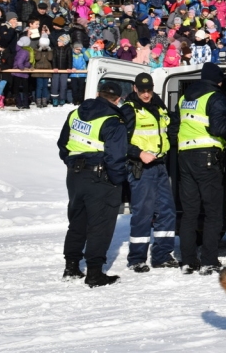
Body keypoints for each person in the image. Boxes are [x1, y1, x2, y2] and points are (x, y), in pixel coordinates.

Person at [56, 80, 128, 287]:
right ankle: (95, 273)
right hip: (100, 177)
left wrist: (72, 163)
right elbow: (115, 157)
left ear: (98, 93)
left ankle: (71, 267)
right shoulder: (113, 120)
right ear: (118, 99)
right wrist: (117, 181)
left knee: (77, 221)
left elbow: (63, 145)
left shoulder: (75, 113)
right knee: (100, 225)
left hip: (75, 175)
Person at [173, 62, 226, 275]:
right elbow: (218, 128)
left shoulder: (185, 97)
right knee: (213, 212)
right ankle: (209, 261)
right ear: (218, 80)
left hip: (184, 157)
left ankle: (188, 261)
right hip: (207, 156)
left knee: (189, 212)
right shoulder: (215, 97)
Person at [122, 72, 179, 273]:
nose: (146, 94)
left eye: (149, 90)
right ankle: (137, 258)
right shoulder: (129, 110)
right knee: (143, 213)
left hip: (160, 166)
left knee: (166, 211)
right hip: (141, 167)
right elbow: (119, 142)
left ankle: (162, 255)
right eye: (142, 90)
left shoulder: (159, 106)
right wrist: (138, 153)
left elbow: (169, 130)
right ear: (135, 89)